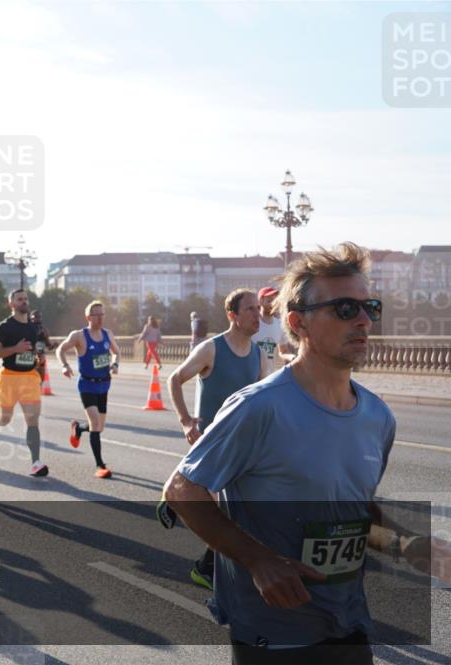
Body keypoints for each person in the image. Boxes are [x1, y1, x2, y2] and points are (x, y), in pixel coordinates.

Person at [162, 242, 448, 664]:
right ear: (299, 322)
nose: (365, 320)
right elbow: (182, 490)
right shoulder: (259, 407)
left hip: (348, 622)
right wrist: (259, 561)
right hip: (273, 631)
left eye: (370, 306)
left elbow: (353, 510)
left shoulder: (378, 417)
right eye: (346, 309)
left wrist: (407, 545)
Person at [165, 288, 268, 589]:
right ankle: (176, 497)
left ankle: (206, 568)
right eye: (250, 309)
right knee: (222, 518)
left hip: (242, 448)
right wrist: (185, 421)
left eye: (259, 309)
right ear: (232, 315)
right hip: (210, 449)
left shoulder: (259, 356)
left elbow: (264, 402)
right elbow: (175, 378)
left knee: (239, 516)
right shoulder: (212, 349)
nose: (257, 314)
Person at [0, 288, 49, 477]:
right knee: (6, 418)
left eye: (26, 299)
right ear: (11, 304)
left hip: (29, 377)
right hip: (9, 378)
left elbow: (35, 351)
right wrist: (16, 348)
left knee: (32, 421)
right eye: (19, 299)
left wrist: (38, 357)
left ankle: (35, 462)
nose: (24, 302)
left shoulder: (32, 327)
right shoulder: (5, 327)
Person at [56, 300, 121, 478]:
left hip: (104, 384)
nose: (100, 318)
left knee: (99, 427)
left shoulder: (108, 334)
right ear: (88, 317)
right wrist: (64, 366)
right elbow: (60, 349)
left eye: (102, 314)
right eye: (96, 315)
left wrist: (115, 363)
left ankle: (78, 428)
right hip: (87, 385)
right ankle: (100, 465)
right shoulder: (79, 336)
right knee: (95, 424)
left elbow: (116, 351)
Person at [254, 286, 296, 365]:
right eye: (269, 300)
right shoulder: (252, 323)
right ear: (260, 301)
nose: (273, 304)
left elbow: (283, 351)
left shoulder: (280, 325)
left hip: (271, 374)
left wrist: (292, 357)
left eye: (276, 301)